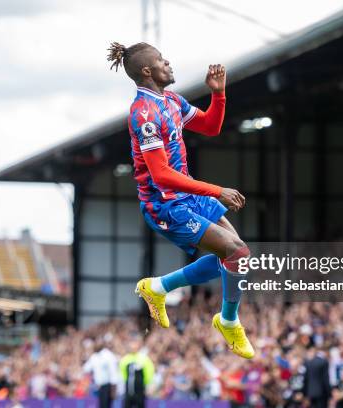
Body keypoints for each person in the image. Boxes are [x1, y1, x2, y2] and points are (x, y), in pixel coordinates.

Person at [107, 41, 254, 359]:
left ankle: (159, 287)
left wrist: (218, 93)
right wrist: (217, 190)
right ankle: (228, 321)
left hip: (186, 194)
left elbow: (211, 126)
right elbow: (160, 175)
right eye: (161, 60)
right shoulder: (143, 114)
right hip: (164, 204)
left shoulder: (171, 100)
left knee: (239, 259)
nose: (168, 63)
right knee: (236, 252)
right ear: (148, 71)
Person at [119, 338, 155, 408]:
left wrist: (149, 385)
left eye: (135, 345)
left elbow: (149, 372)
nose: (133, 347)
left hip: (140, 390)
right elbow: (122, 373)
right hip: (128, 390)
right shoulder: (125, 359)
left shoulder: (144, 359)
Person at [83, 340, 119, 408]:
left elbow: (113, 372)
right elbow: (86, 368)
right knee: (102, 405)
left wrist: (113, 388)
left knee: (105, 405)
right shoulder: (94, 356)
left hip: (107, 386)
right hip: (98, 386)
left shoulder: (108, 355)